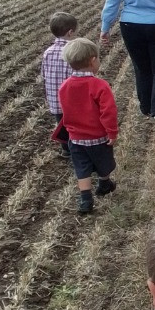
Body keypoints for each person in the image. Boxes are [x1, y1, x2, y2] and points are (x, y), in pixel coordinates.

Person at [58, 38, 118, 215]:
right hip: (97, 136)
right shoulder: (99, 85)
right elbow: (108, 112)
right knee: (103, 161)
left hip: (76, 138)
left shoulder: (65, 86)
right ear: (93, 61)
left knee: (81, 167)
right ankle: (104, 184)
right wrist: (112, 132)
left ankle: (85, 199)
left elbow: (66, 111)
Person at [42, 11, 77, 158]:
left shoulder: (48, 52)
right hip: (71, 98)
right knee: (74, 125)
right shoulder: (72, 52)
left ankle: (65, 150)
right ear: (70, 32)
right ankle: (76, 149)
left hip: (55, 98)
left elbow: (44, 74)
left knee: (61, 123)